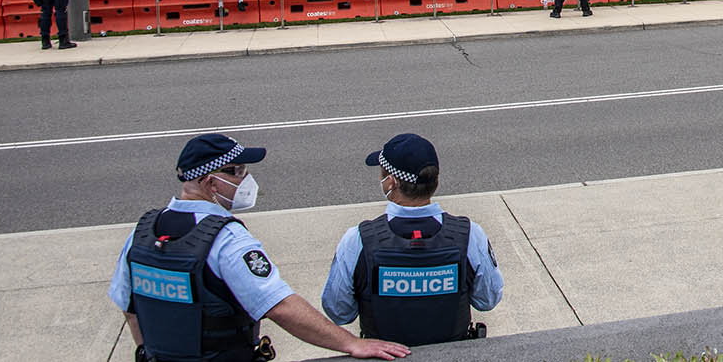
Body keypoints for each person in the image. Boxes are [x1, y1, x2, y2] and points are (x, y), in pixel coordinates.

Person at [110, 133, 409, 361]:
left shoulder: (142, 234)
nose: (245, 179)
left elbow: (129, 307)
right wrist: (351, 343)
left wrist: (149, 352)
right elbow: (281, 307)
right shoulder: (226, 241)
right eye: (237, 171)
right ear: (210, 184)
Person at [321, 134, 503, 347]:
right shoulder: (470, 235)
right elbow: (487, 300)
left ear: (391, 181)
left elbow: (339, 311)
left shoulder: (358, 240)